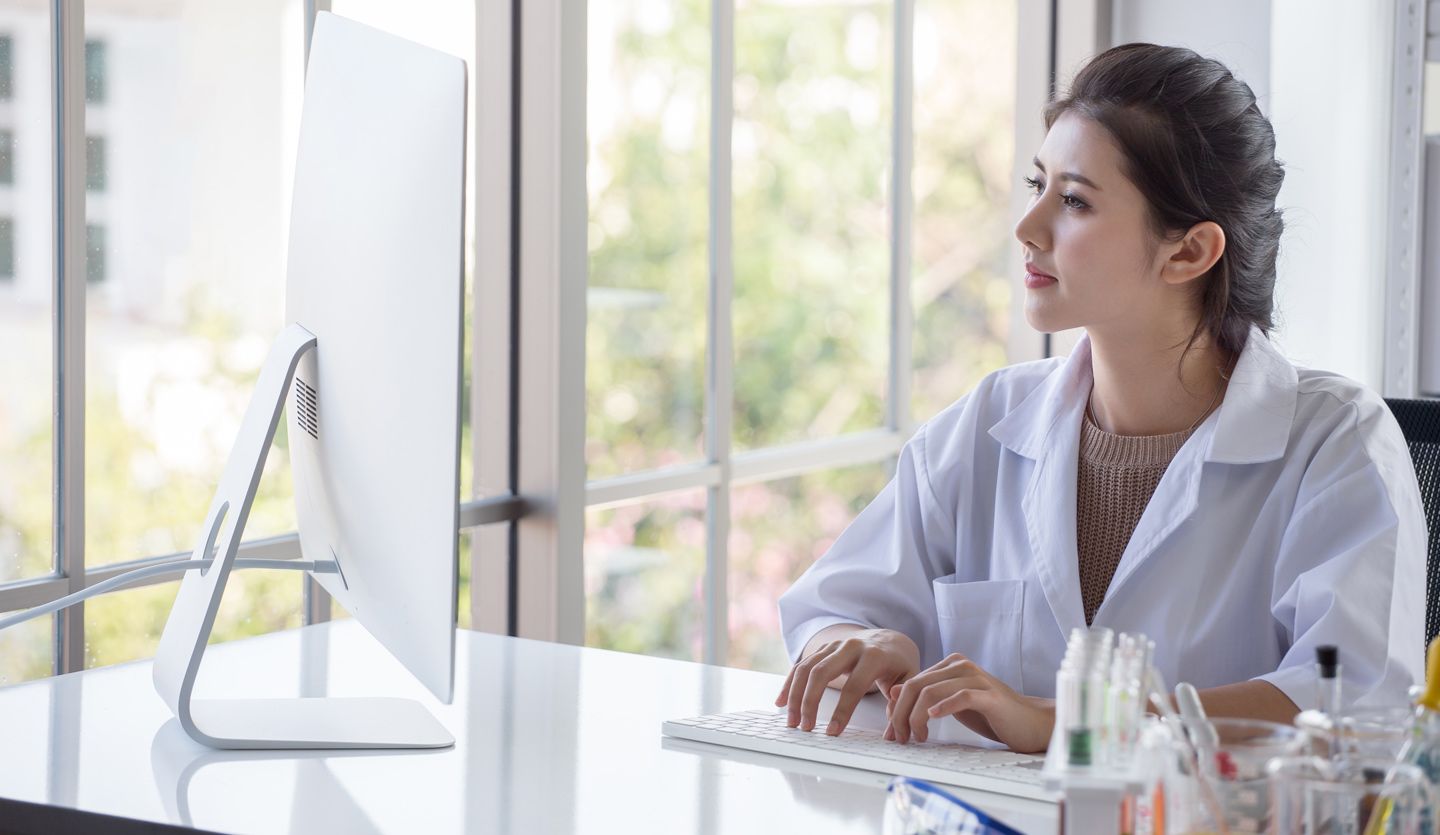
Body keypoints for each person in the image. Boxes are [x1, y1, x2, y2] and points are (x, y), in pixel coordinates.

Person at [775, 42, 1426, 754]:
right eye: (1038, 184)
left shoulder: (1337, 442)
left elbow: (1353, 703)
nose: (1027, 228)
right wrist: (862, 640)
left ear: (1188, 252)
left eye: (1074, 201)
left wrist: (1072, 722)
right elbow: (828, 607)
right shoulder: (987, 421)